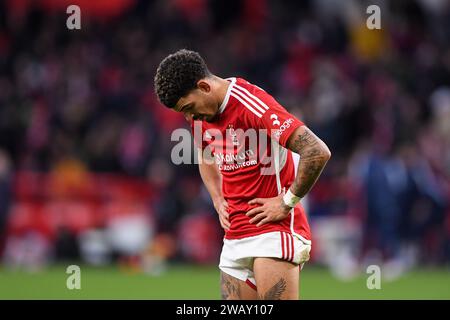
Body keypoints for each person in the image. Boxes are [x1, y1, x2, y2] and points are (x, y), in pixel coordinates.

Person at [154, 49, 331, 300]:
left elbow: (316, 151)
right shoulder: (200, 116)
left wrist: (286, 202)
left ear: (204, 86)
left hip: (272, 232)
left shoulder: (251, 103)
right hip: (235, 236)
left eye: (189, 107)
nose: (189, 117)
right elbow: (205, 155)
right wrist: (217, 199)